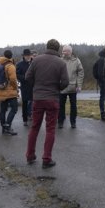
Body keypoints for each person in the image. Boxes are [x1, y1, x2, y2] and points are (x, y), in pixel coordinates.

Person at [25, 39, 69, 169]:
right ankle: (46, 158)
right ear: (58, 49)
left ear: (47, 47)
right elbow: (66, 82)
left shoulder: (36, 60)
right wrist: (57, 88)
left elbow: (28, 77)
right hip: (52, 99)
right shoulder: (61, 63)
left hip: (38, 98)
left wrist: (37, 87)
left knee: (34, 127)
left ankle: (30, 155)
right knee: (50, 129)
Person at [58, 45, 84, 129]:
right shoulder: (59, 60)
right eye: (63, 51)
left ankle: (73, 122)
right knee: (61, 105)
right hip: (62, 87)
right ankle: (60, 122)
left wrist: (79, 85)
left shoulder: (76, 61)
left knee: (73, 106)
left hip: (73, 87)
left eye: (65, 51)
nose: (63, 52)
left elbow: (81, 73)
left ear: (70, 52)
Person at [0, 50, 19, 135]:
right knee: (14, 109)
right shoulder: (10, 66)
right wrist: (16, 88)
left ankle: (4, 129)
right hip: (10, 91)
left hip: (1, 89)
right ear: (11, 56)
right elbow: (13, 79)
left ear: (4, 55)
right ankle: (8, 126)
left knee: (3, 110)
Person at [92, 45, 105, 121]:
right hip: (104, 82)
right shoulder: (102, 59)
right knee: (103, 97)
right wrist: (101, 80)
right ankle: (103, 114)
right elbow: (99, 72)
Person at [16, 49, 33, 126]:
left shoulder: (34, 62)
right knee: (25, 103)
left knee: (35, 103)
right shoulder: (20, 64)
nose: (28, 57)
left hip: (34, 86)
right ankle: (25, 119)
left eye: (29, 55)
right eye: (26, 55)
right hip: (25, 86)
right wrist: (25, 78)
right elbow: (17, 75)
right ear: (24, 56)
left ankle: (34, 117)